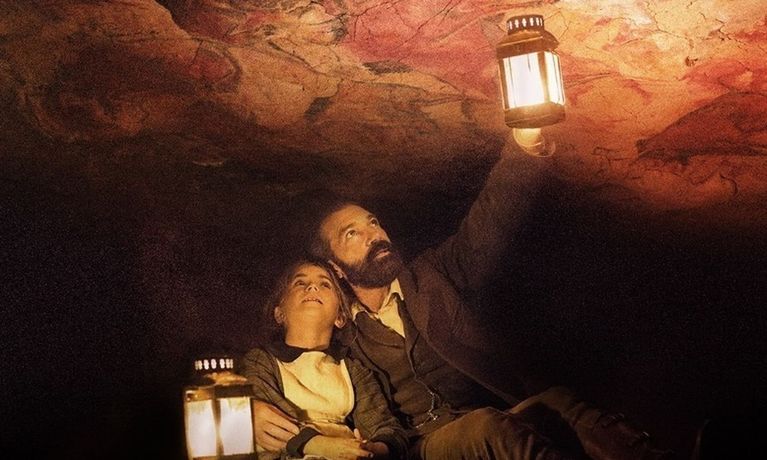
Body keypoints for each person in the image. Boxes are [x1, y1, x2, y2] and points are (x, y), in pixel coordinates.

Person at [252, 133, 673, 459]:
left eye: (373, 223)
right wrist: (244, 411)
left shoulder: (435, 274)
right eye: (353, 234)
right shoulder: (341, 328)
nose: (374, 235)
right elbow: (285, 351)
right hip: (423, 443)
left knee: (559, 403)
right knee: (486, 428)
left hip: (495, 411)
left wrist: (524, 147)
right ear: (337, 268)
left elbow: (492, 220)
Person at [242, 259, 408, 460]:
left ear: (340, 316)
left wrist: (374, 448)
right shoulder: (261, 361)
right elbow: (270, 423)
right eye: (300, 283)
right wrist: (320, 446)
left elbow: (384, 424)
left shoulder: (353, 370)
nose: (312, 287)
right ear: (279, 314)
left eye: (325, 284)